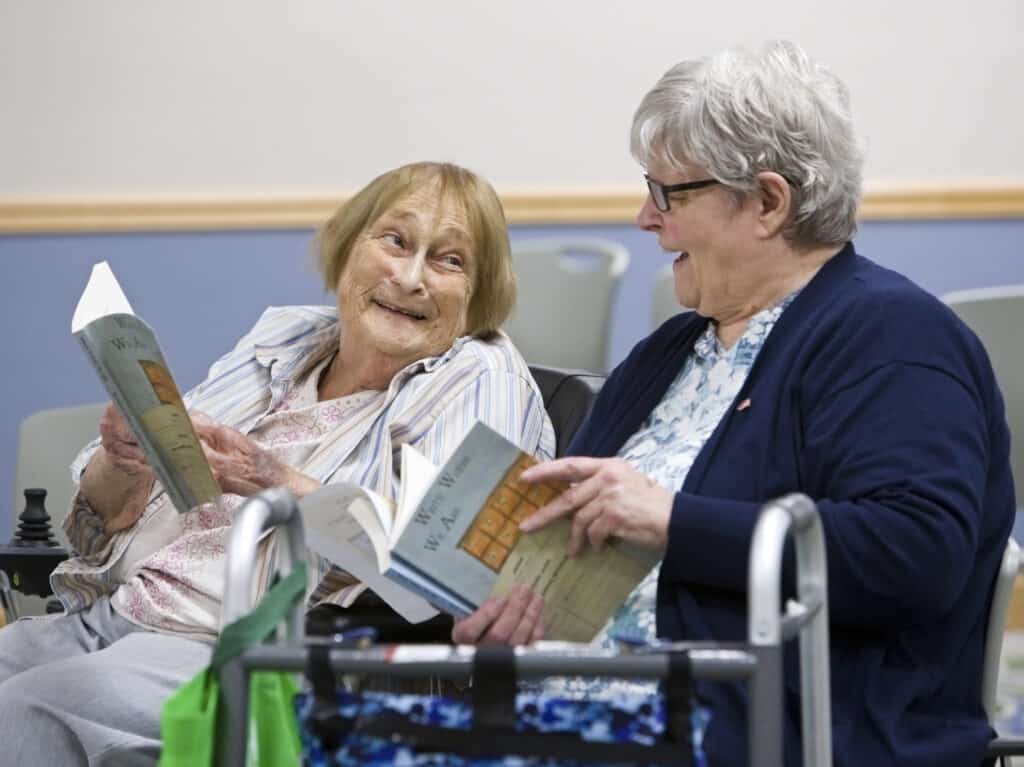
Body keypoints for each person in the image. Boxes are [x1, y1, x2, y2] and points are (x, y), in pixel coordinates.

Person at [453, 41, 1014, 767]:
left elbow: (917, 550)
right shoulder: (669, 354)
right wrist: (523, 613)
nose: (645, 218)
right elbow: (570, 548)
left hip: (761, 734)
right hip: (590, 721)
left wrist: (673, 520)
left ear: (769, 203)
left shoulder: (893, 335)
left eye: (669, 194)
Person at [0, 161, 555, 765]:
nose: (411, 276)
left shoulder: (480, 373)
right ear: (348, 248)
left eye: (449, 260)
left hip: (257, 653)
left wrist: (274, 479)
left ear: (480, 293)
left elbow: (458, 567)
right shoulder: (286, 338)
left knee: (30, 707)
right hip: (118, 610)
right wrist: (123, 460)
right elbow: (91, 531)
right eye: (395, 241)